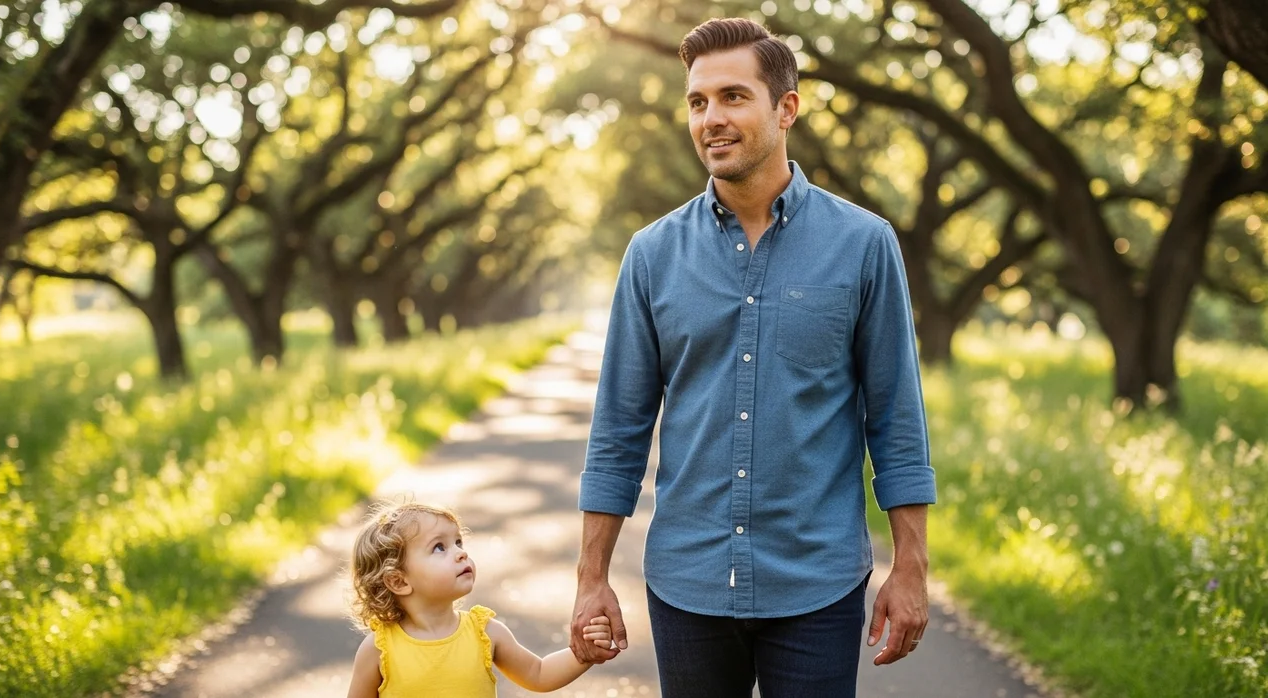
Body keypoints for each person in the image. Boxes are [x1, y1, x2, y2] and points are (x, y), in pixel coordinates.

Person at [568, 16, 938, 698]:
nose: (712, 118)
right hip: (687, 583)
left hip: (818, 583)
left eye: (734, 96)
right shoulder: (651, 256)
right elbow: (618, 429)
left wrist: (911, 568)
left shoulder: (864, 244)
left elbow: (896, 418)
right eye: (698, 101)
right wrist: (592, 579)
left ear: (786, 107)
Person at [346, 498, 614, 697]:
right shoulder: (379, 649)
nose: (460, 553)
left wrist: (584, 654)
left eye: (458, 542)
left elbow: (539, 673)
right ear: (399, 581)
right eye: (439, 547)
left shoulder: (484, 632)